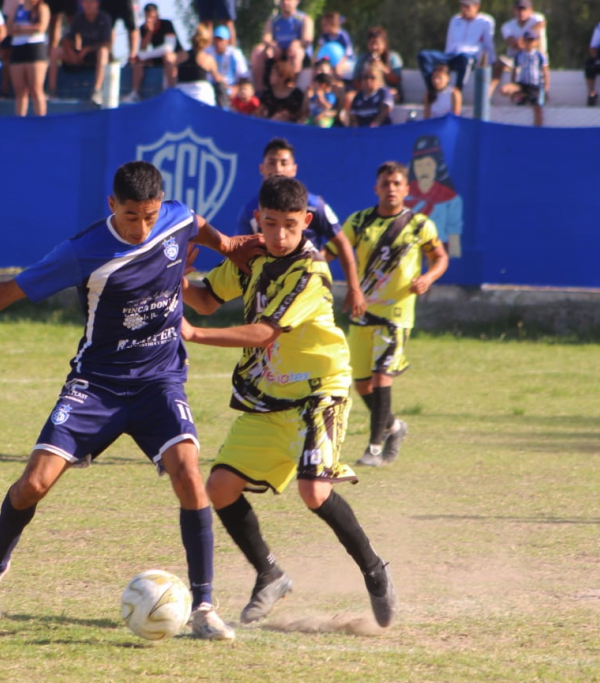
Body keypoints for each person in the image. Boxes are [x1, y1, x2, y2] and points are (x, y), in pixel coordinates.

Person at [0, 161, 263, 641]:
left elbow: (195, 222)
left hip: (159, 381)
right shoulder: (82, 251)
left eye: (149, 216)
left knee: (189, 473)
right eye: (131, 216)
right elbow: (8, 290)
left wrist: (228, 245)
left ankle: (205, 608)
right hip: (97, 385)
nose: (142, 227)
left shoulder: (175, 218)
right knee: (33, 484)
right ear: (111, 205)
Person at [179, 175, 397, 629]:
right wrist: (173, 277)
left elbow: (264, 333)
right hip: (270, 392)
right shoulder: (252, 257)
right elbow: (204, 299)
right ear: (258, 218)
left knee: (314, 492)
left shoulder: (310, 272)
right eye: (271, 223)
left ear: (307, 222)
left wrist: (195, 336)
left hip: (319, 390)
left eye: (290, 225)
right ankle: (270, 574)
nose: (279, 235)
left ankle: (374, 570)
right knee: (219, 487)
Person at [330, 161, 449, 468]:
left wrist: (428, 278)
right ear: (376, 188)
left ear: (407, 189)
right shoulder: (359, 221)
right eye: (386, 183)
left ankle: (373, 448)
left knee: (382, 377)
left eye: (397, 183)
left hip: (396, 315)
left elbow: (440, 257)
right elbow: (330, 251)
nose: (391, 188)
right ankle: (395, 427)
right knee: (362, 385)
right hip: (362, 311)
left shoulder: (419, 225)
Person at [237, 138, 364, 318]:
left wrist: (354, 288)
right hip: (269, 290)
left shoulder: (314, 205)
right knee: (267, 333)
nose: (278, 169)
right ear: (261, 168)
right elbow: (240, 252)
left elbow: (342, 242)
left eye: (284, 163)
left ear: (294, 169)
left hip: (306, 286)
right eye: (272, 162)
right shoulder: (250, 210)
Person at [417, 0, 494, 92]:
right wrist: (445, 62)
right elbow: (450, 41)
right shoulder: (455, 20)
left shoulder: (485, 21)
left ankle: (458, 91)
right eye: (462, 6)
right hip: (452, 56)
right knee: (424, 55)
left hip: (469, 57)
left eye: (467, 6)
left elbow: (488, 44)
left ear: (477, 6)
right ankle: (432, 91)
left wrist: (491, 61)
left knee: (465, 58)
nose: (464, 9)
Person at [405, 135, 463, 258]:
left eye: (428, 164)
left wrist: (453, 261)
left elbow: (454, 237)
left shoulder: (451, 199)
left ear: (437, 166)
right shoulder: (404, 196)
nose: (423, 170)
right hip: (408, 255)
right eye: (419, 165)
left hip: (439, 255)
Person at [50, 0, 111, 106]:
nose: (89, 5)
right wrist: (71, 53)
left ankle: (97, 91)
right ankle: (52, 91)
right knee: (55, 51)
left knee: (103, 52)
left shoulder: (104, 18)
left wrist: (88, 49)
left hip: (96, 56)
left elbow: (107, 44)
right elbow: (67, 39)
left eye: (92, 2)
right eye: (86, 2)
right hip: (81, 56)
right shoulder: (79, 17)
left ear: (97, 4)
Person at [249, 0, 312, 92]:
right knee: (258, 50)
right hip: (278, 52)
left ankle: (291, 89)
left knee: (296, 53)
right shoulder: (273, 20)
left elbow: (307, 39)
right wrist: (272, 45)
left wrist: (297, 43)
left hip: (296, 53)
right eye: (282, 0)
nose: (285, 2)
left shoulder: (304, 19)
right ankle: (259, 90)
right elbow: (266, 38)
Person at [490, 0, 545, 100]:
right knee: (499, 65)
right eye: (519, 10)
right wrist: (525, 40)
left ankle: (524, 95)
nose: (521, 13)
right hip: (516, 61)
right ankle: (488, 94)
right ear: (514, 10)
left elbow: (540, 25)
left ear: (531, 10)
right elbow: (514, 45)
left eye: (524, 9)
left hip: (533, 62)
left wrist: (523, 40)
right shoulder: (507, 26)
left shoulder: (537, 19)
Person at [124, 3, 177, 104]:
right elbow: (142, 49)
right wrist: (149, 33)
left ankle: (171, 90)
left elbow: (169, 48)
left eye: (152, 17)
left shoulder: (166, 24)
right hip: (156, 56)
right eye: (147, 17)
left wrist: (145, 55)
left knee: (168, 57)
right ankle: (135, 93)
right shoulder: (143, 28)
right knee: (138, 62)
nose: (150, 20)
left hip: (172, 55)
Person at [6, 0, 47, 116]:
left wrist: (19, 28)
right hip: (18, 48)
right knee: (20, 90)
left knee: (36, 89)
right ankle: (20, 120)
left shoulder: (42, 7)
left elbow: (40, 28)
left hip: (35, 49)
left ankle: (40, 121)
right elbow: (9, 29)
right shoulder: (17, 8)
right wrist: (27, 29)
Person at [500, 30, 547, 126]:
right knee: (504, 90)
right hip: (522, 84)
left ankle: (538, 129)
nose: (529, 43)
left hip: (535, 85)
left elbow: (545, 72)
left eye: (531, 40)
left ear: (536, 42)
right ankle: (522, 96)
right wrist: (513, 84)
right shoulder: (519, 55)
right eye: (527, 40)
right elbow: (514, 71)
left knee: (538, 108)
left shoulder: (539, 55)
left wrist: (546, 88)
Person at [352, 26, 403, 103]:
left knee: (388, 97)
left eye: (377, 44)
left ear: (384, 44)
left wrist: (381, 66)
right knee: (349, 98)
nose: (374, 47)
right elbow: (356, 80)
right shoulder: (363, 58)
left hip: (387, 91)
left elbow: (396, 79)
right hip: (365, 92)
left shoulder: (392, 57)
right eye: (371, 43)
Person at [173, 24, 218, 107]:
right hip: (202, 97)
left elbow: (173, 76)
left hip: (182, 96)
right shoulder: (208, 59)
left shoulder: (180, 55)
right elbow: (217, 79)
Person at [205, 24, 247, 102]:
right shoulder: (207, 52)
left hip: (230, 89)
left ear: (227, 40)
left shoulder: (235, 54)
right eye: (216, 39)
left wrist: (236, 89)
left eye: (221, 40)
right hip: (210, 89)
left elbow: (243, 76)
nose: (218, 43)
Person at [314, 11, 353, 80]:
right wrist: (317, 61)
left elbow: (348, 53)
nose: (322, 27)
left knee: (337, 71)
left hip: (344, 61)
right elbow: (319, 49)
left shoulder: (343, 36)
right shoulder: (324, 36)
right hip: (329, 62)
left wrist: (339, 65)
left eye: (324, 25)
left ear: (332, 24)